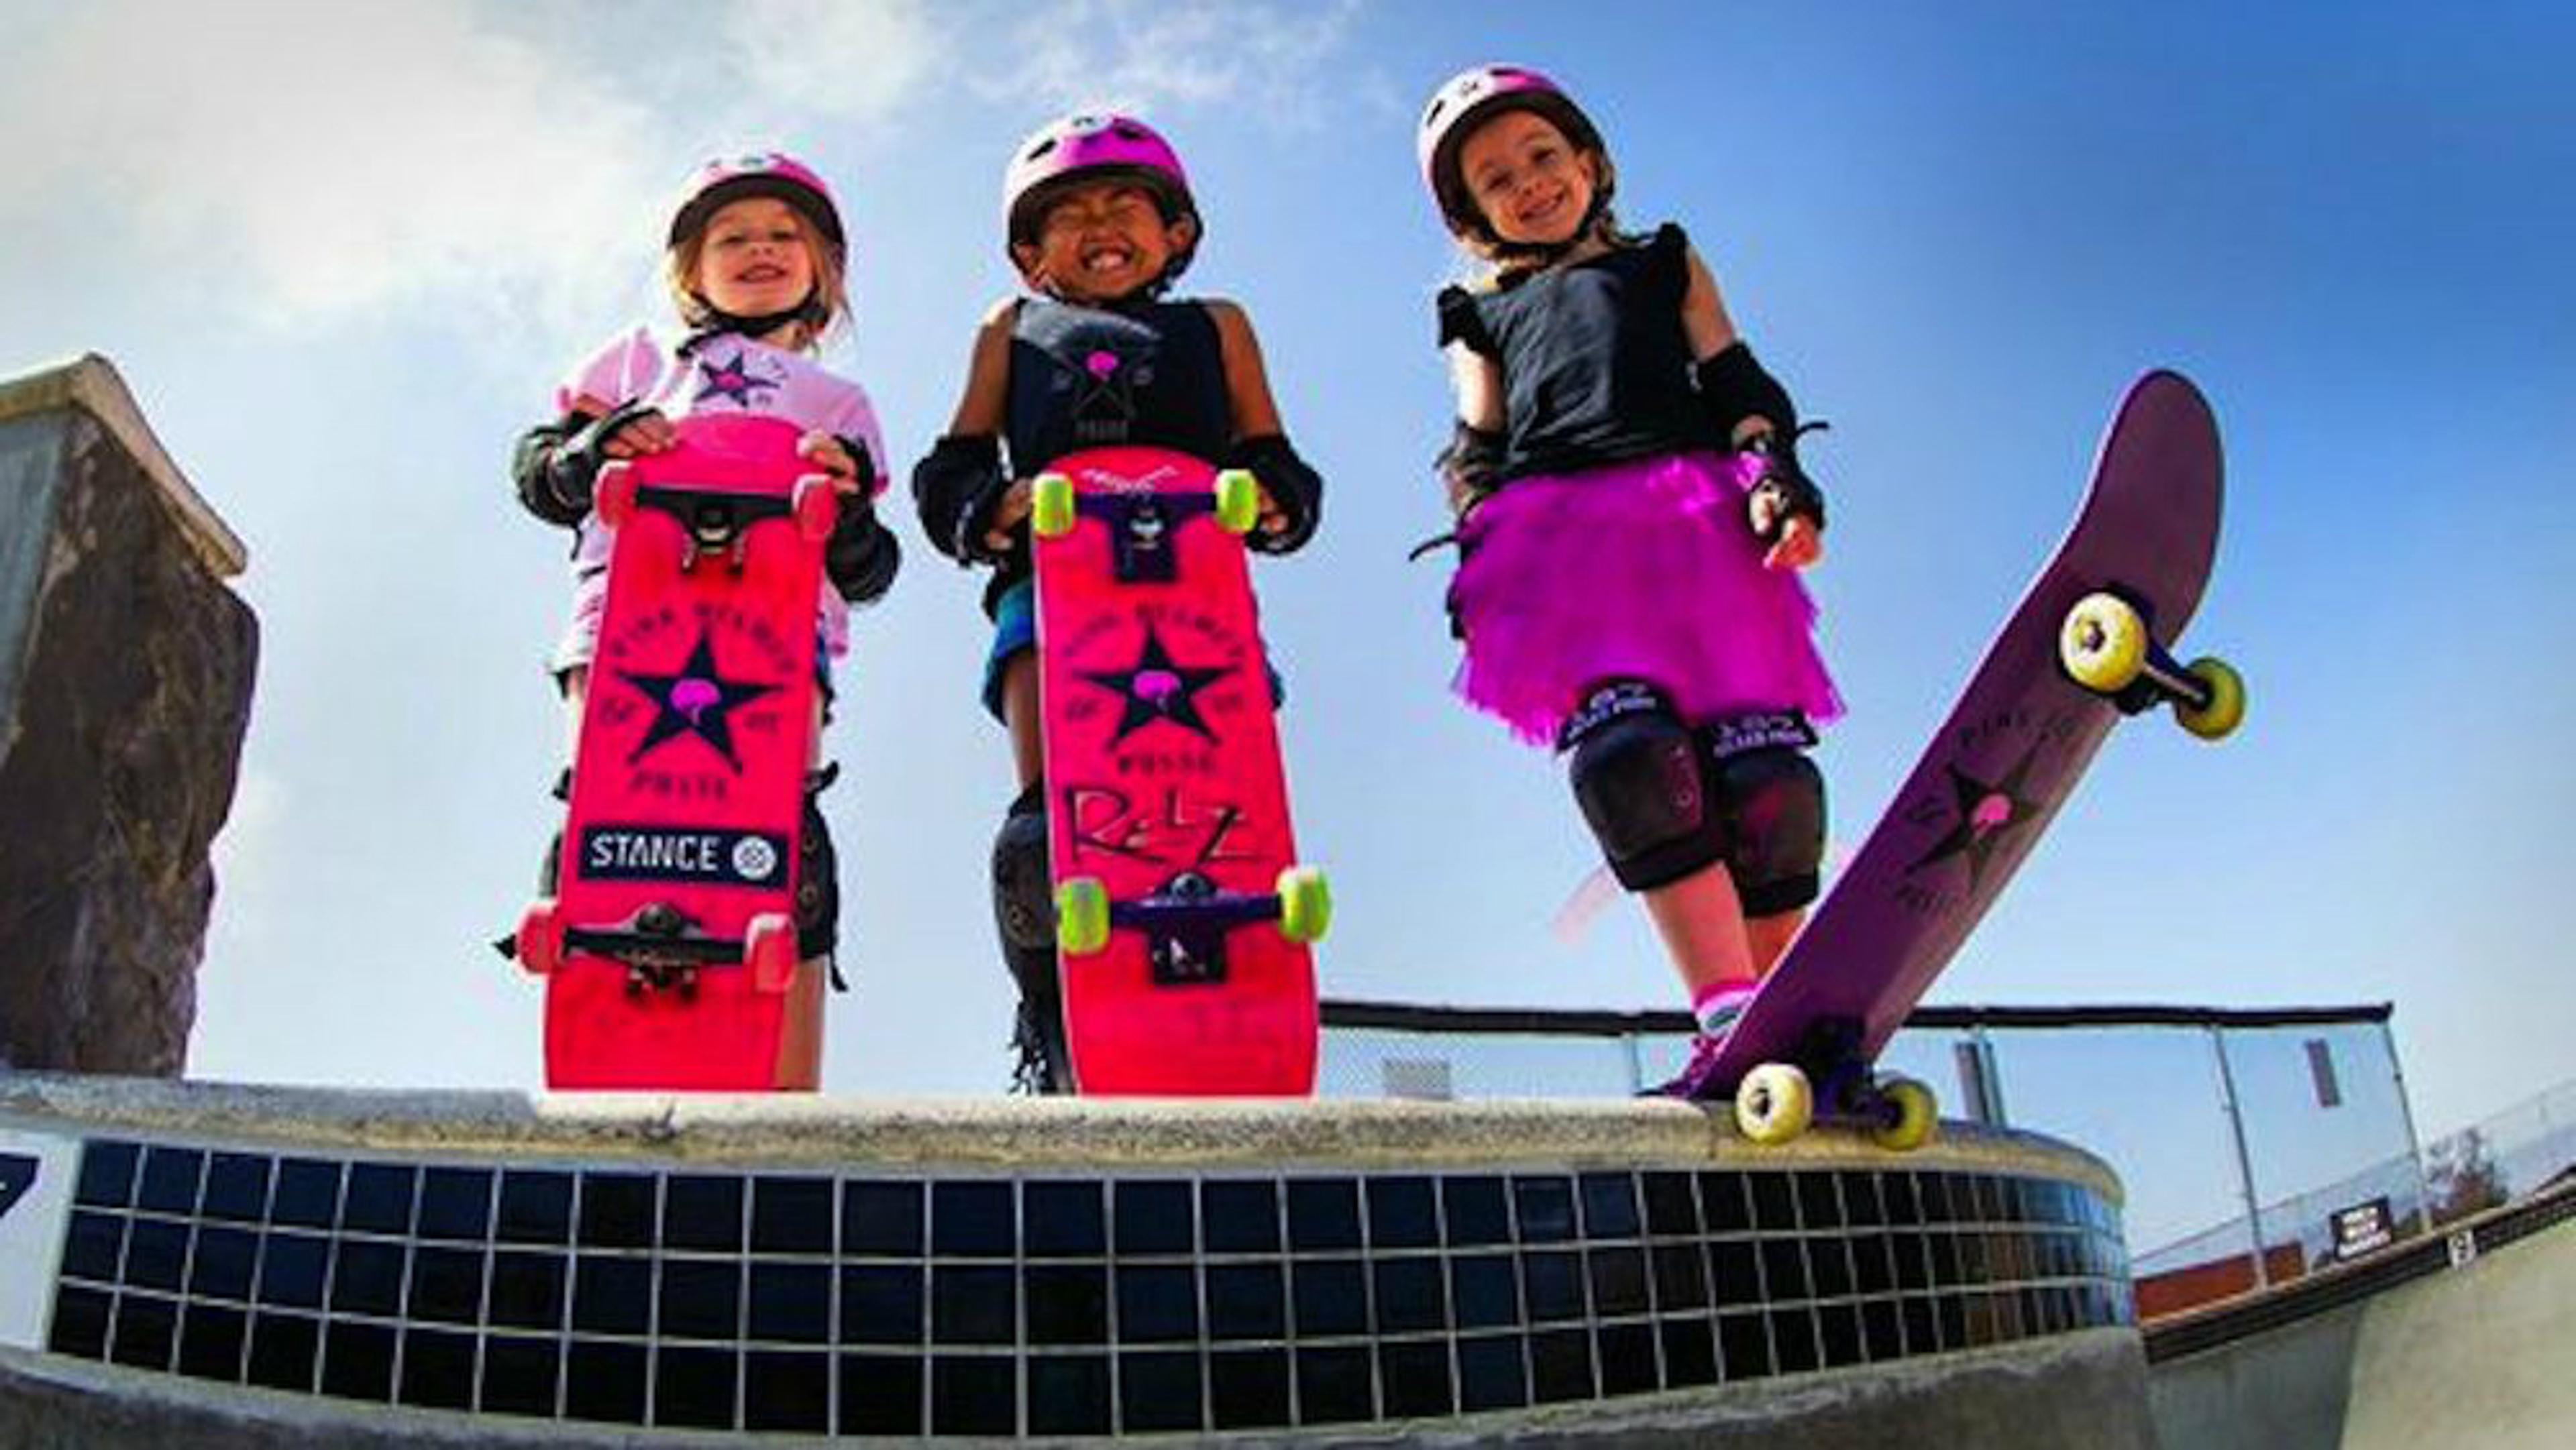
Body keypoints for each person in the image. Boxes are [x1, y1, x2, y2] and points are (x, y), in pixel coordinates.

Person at [1417, 66, 1842, 1097]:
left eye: (1542, 158)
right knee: (1630, 760)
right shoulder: (1476, 311)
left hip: (1702, 522)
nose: (1526, 183)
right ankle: (1727, 1010)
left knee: (1768, 785)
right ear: (1473, 213)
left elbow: (1736, 378)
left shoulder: (1665, 260)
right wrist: (1476, 545)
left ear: (1591, 164)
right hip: (1564, 540)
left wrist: (1776, 475)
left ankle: (1786, 1014)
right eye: (1495, 179)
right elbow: (1478, 438)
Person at [912, 113, 1324, 1092]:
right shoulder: (1007, 330)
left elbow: (1273, 454)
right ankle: (1057, 1032)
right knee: (1045, 830)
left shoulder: (1217, 323)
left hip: (1198, 605)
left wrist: (1277, 501)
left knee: (1222, 813)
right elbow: (953, 463)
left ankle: (1237, 1018)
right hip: (1052, 591)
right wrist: (984, 508)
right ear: (1028, 254)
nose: (1099, 222)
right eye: (1069, 213)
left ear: (1176, 231)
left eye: (1125, 202)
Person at [506, 152, 900, 1089]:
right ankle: (597, 1049)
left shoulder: (839, 404)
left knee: (783, 843)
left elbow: (873, 567)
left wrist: (845, 510)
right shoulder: (640, 359)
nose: (759, 250)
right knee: (605, 820)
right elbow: (538, 470)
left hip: (777, 639)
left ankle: (785, 1096)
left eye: (782, 237)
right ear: (690, 269)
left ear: (823, 273)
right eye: (733, 237)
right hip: (622, 622)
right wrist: (595, 447)